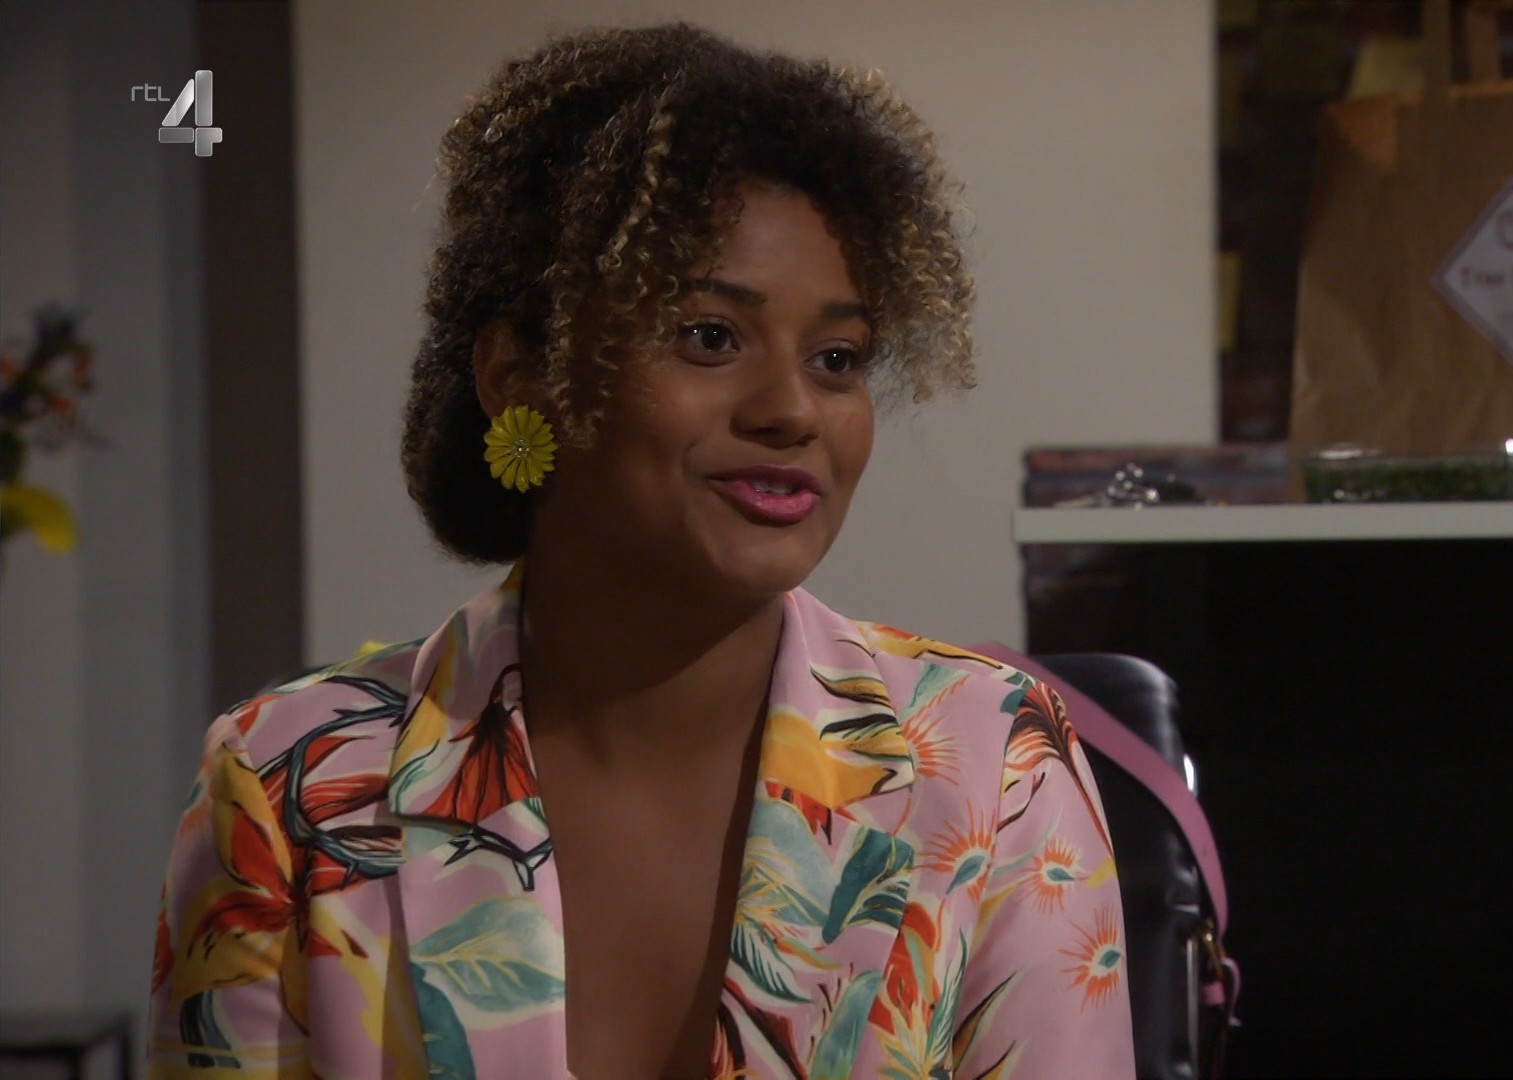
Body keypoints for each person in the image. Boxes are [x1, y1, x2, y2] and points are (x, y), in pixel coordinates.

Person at [144, 21, 1133, 1080]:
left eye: (838, 358)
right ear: (519, 376)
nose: (794, 409)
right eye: (711, 336)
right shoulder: (289, 785)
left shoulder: (996, 767)